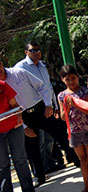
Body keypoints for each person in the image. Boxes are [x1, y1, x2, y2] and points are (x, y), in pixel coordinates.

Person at [0, 61, 79, 187]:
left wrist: (48, 105)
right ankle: (40, 177)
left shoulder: (18, 72)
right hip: (23, 116)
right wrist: (24, 127)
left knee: (61, 136)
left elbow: (41, 86)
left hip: (40, 109)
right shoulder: (1, 86)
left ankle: (78, 161)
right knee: (32, 149)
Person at [15, 41, 62, 173]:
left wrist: (54, 104)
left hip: (47, 105)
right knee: (38, 140)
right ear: (26, 52)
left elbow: (48, 87)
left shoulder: (42, 66)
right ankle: (41, 170)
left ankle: (50, 164)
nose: (36, 52)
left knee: (50, 139)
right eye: (33, 50)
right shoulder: (20, 68)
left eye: (38, 50)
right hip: (32, 108)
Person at [58, 65, 88, 192]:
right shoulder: (62, 96)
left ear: (78, 77)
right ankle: (87, 186)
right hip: (74, 132)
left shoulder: (85, 91)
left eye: (73, 78)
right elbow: (62, 116)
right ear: (62, 80)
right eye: (67, 79)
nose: (71, 82)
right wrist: (67, 107)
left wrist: (77, 105)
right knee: (82, 160)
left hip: (87, 129)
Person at [0, 78, 34, 192]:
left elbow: (14, 105)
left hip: (13, 126)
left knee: (19, 158)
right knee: (2, 164)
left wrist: (19, 119)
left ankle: (28, 189)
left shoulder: (3, 85)